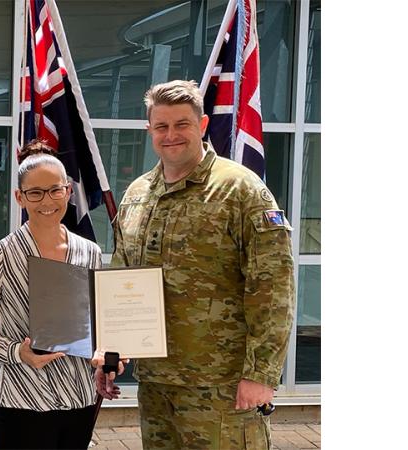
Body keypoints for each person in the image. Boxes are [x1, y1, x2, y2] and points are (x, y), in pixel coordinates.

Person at [100, 80, 295, 449]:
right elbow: (122, 280)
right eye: (161, 126)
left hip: (222, 387)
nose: (171, 135)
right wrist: (110, 356)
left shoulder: (240, 190)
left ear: (202, 125)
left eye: (181, 124)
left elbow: (273, 289)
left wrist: (261, 374)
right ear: (150, 131)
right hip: (157, 384)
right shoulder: (138, 195)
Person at [0, 140, 110, 449]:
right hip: (21, 403)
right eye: (35, 193)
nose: (47, 201)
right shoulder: (1, 254)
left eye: (55, 190)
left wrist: (105, 357)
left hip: (78, 401)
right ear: (19, 197)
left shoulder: (90, 252)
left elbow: (96, 322)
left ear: (68, 191)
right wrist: (16, 352)